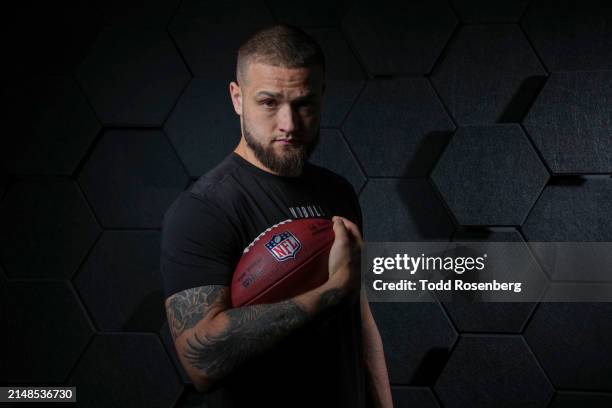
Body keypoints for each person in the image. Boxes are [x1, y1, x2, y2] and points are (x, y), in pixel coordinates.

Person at [160, 24, 393, 408]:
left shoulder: (338, 192)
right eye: (268, 102)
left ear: (322, 95)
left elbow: (360, 320)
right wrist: (331, 293)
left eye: (304, 103)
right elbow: (202, 361)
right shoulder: (203, 210)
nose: (289, 124)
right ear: (237, 98)